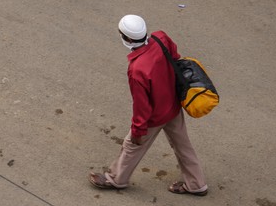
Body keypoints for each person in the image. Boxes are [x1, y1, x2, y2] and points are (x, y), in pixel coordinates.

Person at [88, 14, 208, 196]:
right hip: (174, 106)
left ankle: (116, 179)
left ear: (127, 38)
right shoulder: (161, 38)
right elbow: (175, 56)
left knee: (132, 146)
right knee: (183, 147)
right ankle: (196, 184)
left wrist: (138, 131)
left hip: (155, 116)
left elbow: (141, 106)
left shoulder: (137, 69)